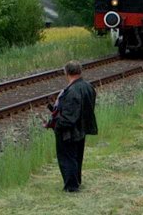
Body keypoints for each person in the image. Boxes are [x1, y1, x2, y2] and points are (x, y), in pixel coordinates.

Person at [50, 60, 97, 192]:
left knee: (67, 158)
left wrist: (56, 124)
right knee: (77, 157)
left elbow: (69, 117)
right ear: (80, 71)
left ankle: (71, 187)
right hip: (82, 128)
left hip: (69, 131)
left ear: (66, 72)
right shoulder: (88, 87)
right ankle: (76, 181)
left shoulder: (72, 91)